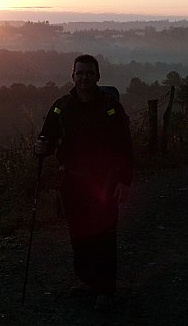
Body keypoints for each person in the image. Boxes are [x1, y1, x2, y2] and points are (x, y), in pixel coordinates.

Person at [35, 54, 133, 310]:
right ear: (73, 76)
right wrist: (41, 146)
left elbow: (124, 147)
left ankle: (105, 290)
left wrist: (124, 181)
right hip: (72, 182)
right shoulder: (61, 107)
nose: (84, 78)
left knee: (104, 236)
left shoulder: (110, 108)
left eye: (89, 73)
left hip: (105, 182)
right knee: (79, 235)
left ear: (98, 77)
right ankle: (88, 281)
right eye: (80, 73)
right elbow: (47, 137)